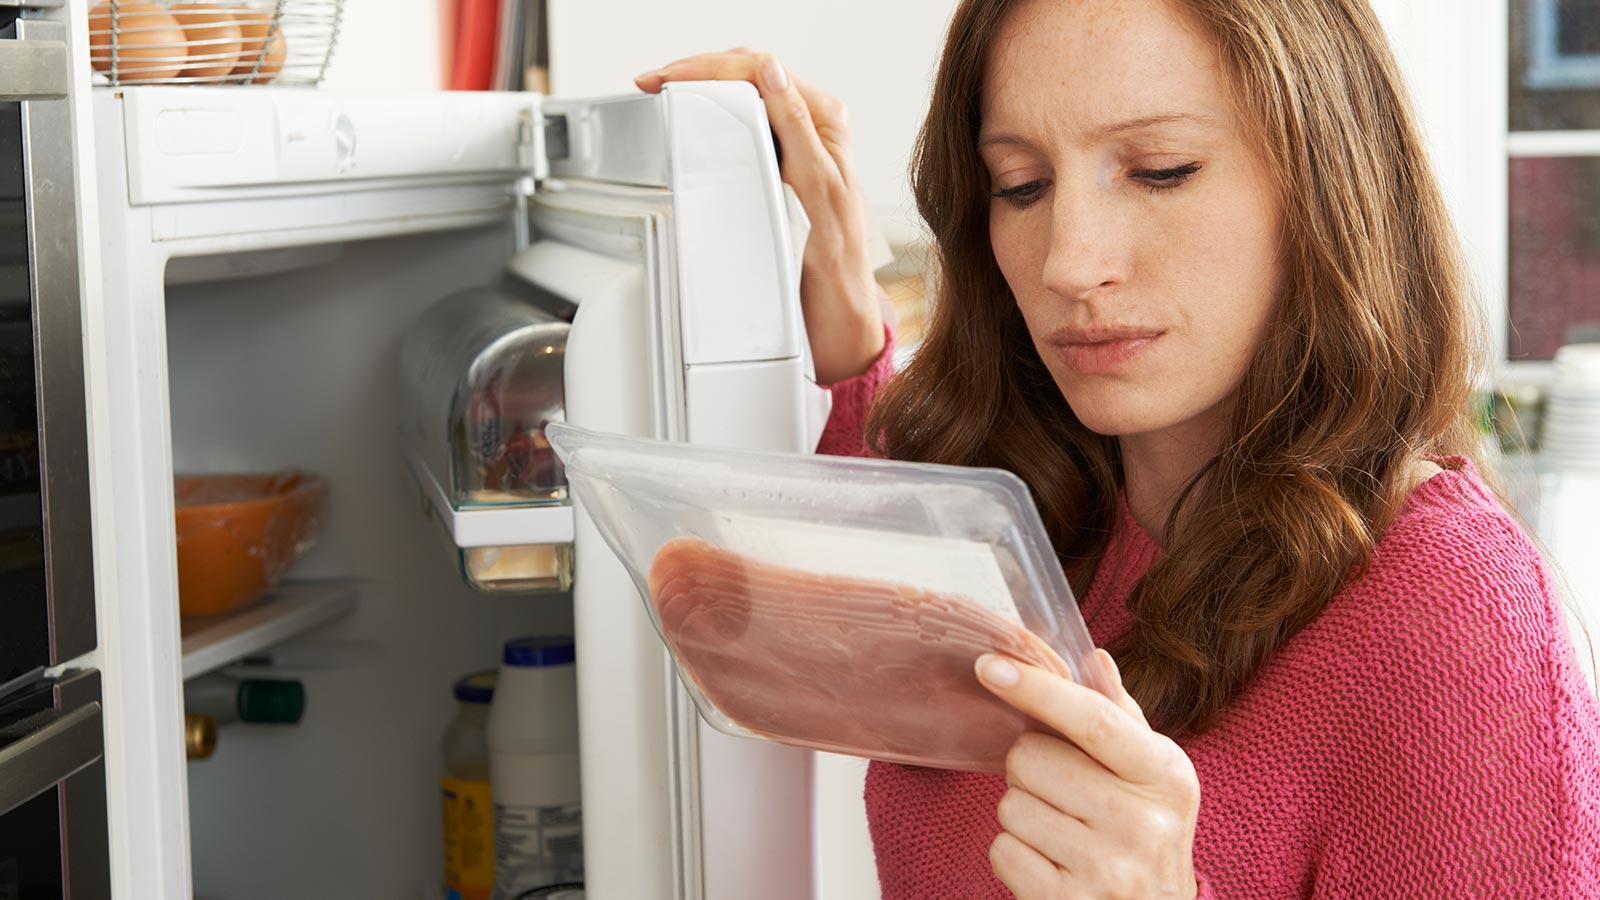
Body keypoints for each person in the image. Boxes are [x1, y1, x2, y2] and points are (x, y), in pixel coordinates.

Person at [634, 0, 1600, 896]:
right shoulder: (1036, 510)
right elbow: (852, 586)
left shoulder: (1455, 615)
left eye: (1160, 171)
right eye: (1022, 186)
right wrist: (839, 286)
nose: (1069, 262)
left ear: (1327, 183)